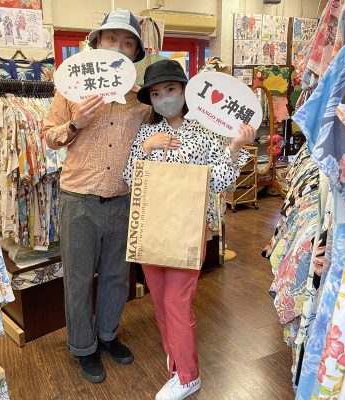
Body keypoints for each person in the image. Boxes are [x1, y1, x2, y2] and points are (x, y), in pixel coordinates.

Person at [123, 59, 256, 400]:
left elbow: (219, 182)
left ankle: (188, 376)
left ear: (185, 91)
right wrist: (145, 150)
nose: (164, 98)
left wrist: (234, 149)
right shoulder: (146, 133)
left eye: (170, 89)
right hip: (151, 227)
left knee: (177, 303)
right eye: (156, 94)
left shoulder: (205, 131)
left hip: (188, 229)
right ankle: (175, 357)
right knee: (160, 301)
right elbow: (130, 179)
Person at [43, 9, 150, 384]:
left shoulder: (141, 99)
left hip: (122, 200)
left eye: (128, 42)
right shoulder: (71, 88)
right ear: (98, 42)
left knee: (117, 277)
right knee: (77, 279)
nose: (119, 47)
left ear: (135, 52)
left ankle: (107, 335)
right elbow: (49, 135)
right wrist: (76, 123)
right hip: (78, 201)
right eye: (112, 38)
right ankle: (83, 346)